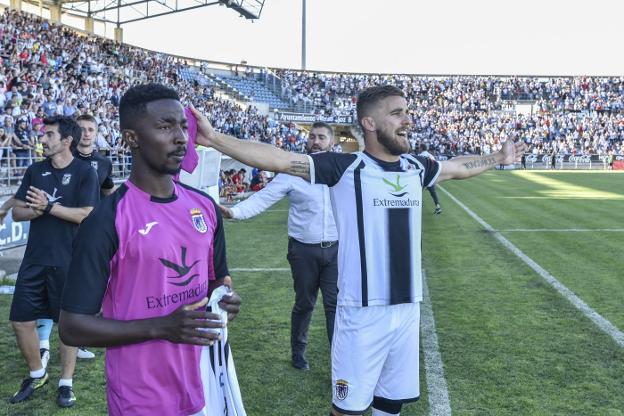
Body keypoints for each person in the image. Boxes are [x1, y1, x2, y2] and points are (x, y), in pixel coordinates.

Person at [189, 84, 525, 416]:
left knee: (390, 405)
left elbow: (456, 167)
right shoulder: (345, 167)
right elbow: (279, 160)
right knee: (348, 410)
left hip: (408, 307)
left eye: (406, 112)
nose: (407, 120)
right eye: (397, 113)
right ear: (369, 123)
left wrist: (498, 157)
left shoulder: (415, 167)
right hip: (361, 312)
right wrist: (215, 138)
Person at [58, 83, 242, 415]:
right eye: (164, 126)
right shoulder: (106, 219)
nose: (180, 137)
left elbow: (218, 281)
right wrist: (161, 326)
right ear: (132, 138)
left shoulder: (205, 207)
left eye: (183, 126)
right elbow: (72, 326)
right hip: (140, 397)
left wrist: (225, 300)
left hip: (202, 384)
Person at [221, 121, 339, 370]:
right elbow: (263, 198)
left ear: (332, 142)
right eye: (312, 137)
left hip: (337, 250)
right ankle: (298, 352)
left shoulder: (341, 171)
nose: (315, 141)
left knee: (335, 306)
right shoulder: (291, 173)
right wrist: (234, 212)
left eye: (322, 137)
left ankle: (341, 361)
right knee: (305, 303)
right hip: (303, 251)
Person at [8, 115, 99, 408]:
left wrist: (50, 206)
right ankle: (37, 373)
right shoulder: (35, 171)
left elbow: (85, 214)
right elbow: (18, 213)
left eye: (48, 134)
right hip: (34, 259)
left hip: (69, 260)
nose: (43, 139)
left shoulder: (86, 173)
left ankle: (66, 383)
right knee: (21, 321)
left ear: (66, 140)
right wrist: (39, 209)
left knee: (67, 326)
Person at [34, 113, 114, 364]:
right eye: (83, 129)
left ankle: (74, 340)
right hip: (59, 232)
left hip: (90, 234)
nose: (87, 133)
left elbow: (108, 191)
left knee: (81, 288)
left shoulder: (103, 163)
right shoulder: (62, 159)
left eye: (92, 128)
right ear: (73, 135)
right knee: (50, 289)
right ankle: (44, 343)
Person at [418, 143, 442, 214]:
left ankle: (419, 206)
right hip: (431, 177)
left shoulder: (420, 156)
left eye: (419, 148)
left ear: (421, 148)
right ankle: (438, 206)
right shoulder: (431, 156)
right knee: (433, 192)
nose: (419, 149)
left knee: (418, 192)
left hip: (424, 177)